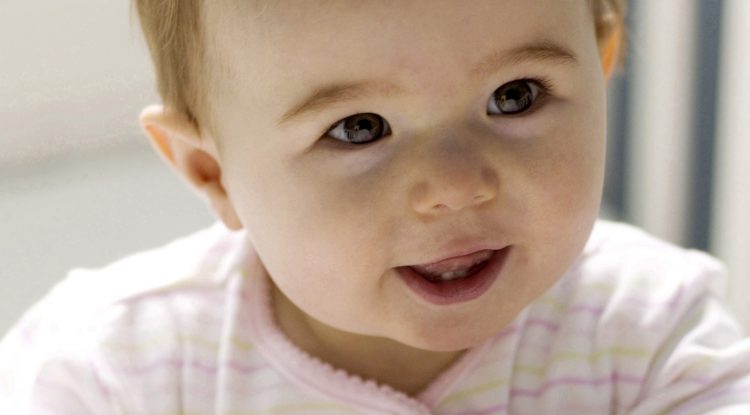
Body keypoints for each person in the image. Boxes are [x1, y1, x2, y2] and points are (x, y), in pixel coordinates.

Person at [2, 0, 749, 413]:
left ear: (603, 63)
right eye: (359, 128)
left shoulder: (655, 334)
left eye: (514, 95)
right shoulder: (111, 369)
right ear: (213, 172)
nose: (456, 185)